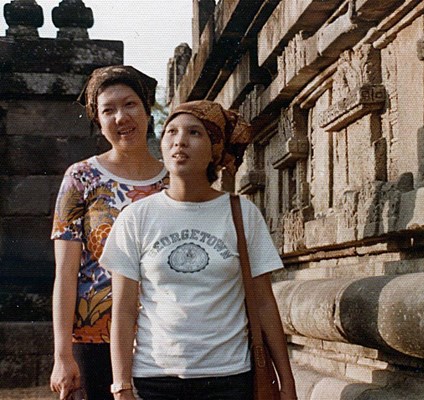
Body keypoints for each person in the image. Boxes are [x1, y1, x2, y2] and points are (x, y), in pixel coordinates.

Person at [100, 100, 298, 400]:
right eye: (171, 132)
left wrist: (287, 383)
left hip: (229, 377)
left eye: (194, 133)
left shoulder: (242, 214)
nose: (179, 141)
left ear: (214, 149)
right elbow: (124, 311)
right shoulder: (136, 217)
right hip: (156, 378)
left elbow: (264, 304)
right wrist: (121, 386)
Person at [49, 65, 168, 400]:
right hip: (93, 339)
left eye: (129, 105)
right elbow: (66, 273)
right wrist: (62, 355)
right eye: (108, 110)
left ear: (147, 109)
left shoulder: (174, 180)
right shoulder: (81, 178)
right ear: (97, 120)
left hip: (162, 335)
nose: (121, 118)